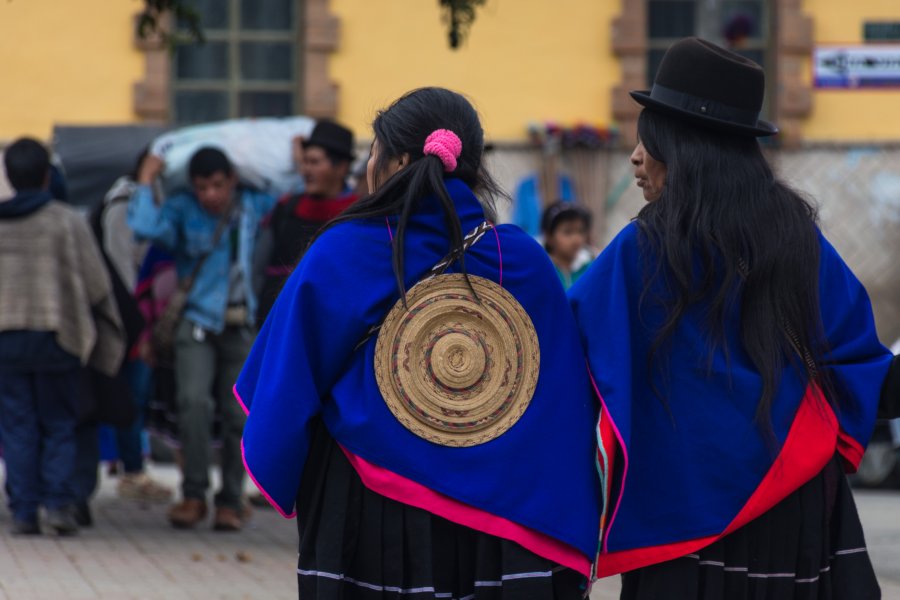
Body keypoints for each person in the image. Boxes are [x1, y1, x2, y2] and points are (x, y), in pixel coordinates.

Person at [235, 87, 602, 598]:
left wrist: (282, 463)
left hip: (369, 510)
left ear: (399, 160)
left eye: (373, 152)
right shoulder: (522, 262)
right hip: (501, 525)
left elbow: (285, 388)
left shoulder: (345, 250)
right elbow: (564, 402)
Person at [569, 38, 893, 599]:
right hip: (794, 505)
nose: (635, 156)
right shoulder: (796, 240)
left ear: (686, 147)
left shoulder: (640, 250)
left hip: (679, 520)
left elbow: (565, 359)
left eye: (650, 137)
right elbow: (858, 362)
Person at [128, 147, 276, 531]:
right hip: (195, 322)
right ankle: (193, 494)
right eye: (202, 187)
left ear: (232, 180)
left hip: (241, 323)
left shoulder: (252, 204)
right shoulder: (181, 209)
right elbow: (144, 228)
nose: (210, 194)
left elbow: (286, 191)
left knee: (238, 414)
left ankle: (230, 500)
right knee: (192, 403)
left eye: (217, 185)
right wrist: (146, 179)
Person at [0, 138, 124, 535]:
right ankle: (57, 505)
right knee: (58, 423)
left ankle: (23, 512)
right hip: (58, 337)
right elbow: (95, 282)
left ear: (9, 176)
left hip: (6, 341)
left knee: (18, 426)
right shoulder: (67, 221)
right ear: (46, 175)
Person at [93, 152, 172, 504]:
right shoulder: (124, 205)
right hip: (130, 320)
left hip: (145, 316)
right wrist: (135, 327)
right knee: (132, 394)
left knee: (138, 393)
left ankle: (129, 464)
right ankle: (131, 470)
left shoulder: (152, 202)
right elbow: (122, 268)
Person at [255, 120, 359, 324]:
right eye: (305, 162)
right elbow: (259, 267)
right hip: (279, 317)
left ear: (341, 168)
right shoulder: (286, 208)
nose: (306, 170)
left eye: (315, 162)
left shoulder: (357, 215)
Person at [541, 200, 594, 290]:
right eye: (568, 232)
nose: (576, 239)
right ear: (549, 236)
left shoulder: (591, 268)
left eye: (581, 231)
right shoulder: (541, 269)